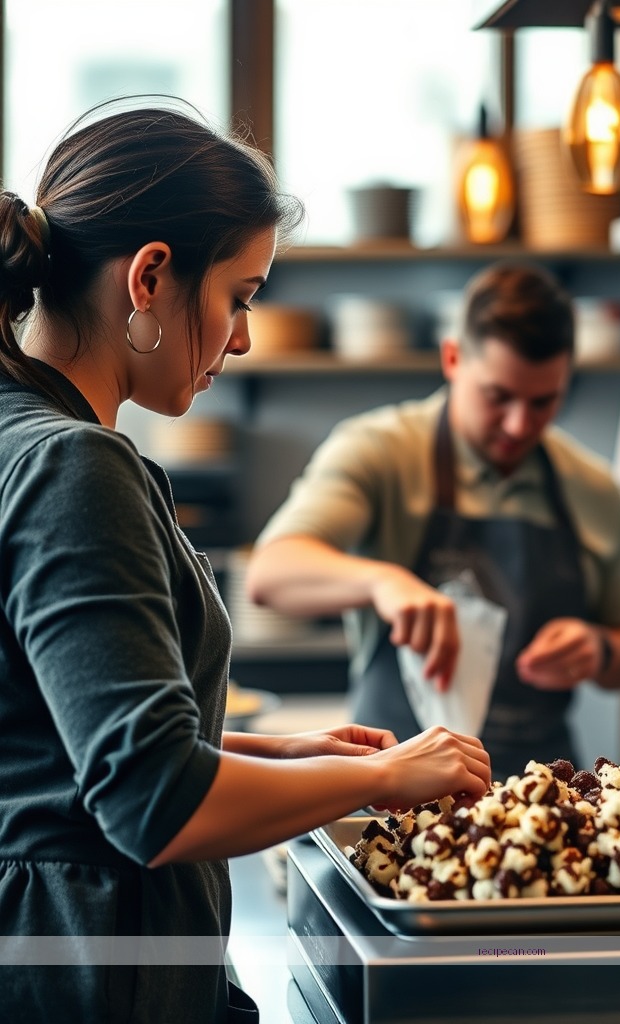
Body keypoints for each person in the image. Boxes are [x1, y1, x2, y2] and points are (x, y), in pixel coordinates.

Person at [0, 99, 490, 1024]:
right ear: (150, 277)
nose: (244, 336)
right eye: (241, 296)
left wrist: (283, 754)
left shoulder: (17, 435)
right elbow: (152, 804)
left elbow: (62, 752)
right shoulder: (75, 465)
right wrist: (383, 779)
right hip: (90, 972)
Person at [246, 262, 620, 780]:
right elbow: (271, 573)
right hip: (394, 786)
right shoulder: (380, 450)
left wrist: (600, 650)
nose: (519, 425)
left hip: (542, 802)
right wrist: (382, 581)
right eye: (498, 396)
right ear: (453, 357)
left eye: (543, 402)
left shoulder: (591, 486)